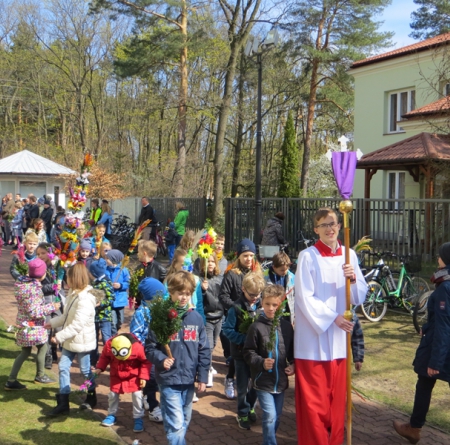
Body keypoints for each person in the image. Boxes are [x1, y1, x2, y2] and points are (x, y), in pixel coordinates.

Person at [294, 207, 367, 445]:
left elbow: (359, 296)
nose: (330, 229)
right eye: (324, 225)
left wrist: (353, 278)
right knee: (315, 405)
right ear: (316, 229)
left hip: (339, 342)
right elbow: (304, 296)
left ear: (339, 226)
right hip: (313, 343)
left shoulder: (349, 255)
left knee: (336, 404)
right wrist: (333, 317)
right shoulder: (308, 256)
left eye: (333, 223)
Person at [393, 242, 450, 444]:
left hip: (440, 348)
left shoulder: (445, 288)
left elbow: (444, 326)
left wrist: (435, 361)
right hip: (438, 342)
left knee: (425, 382)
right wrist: (425, 328)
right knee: (424, 383)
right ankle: (414, 428)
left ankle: (415, 428)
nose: (437, 259)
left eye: (440, 256)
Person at [146, 271, 210, 445]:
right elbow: (150, 347)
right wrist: (161, 359)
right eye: (180, 293)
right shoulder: (161, 318)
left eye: (188, 294)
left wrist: (203, 376)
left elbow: (204, 349)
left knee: (184, 419)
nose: (184, 297)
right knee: (176, 423)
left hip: (188, 379)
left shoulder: (196, 318)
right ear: (171, 292)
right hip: (168, 378)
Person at [243, 284, 295, 444]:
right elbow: (248, 352)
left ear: (281, 304)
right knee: (270, 416)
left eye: (275, 304)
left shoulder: (286, 327)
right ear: (262, 303)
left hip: (280, 382)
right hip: (262, 381)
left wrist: (293, 365)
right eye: (267, 304)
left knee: (276, 417)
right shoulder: (256, 327)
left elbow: (292, 351)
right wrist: (261, 362)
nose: (271, 308)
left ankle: (268, 440)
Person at [45, 263, 97, 416]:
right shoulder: (73, 294)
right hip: (70, 340)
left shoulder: (85, 299)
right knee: (63, 367)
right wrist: (51, 323)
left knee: (85, 370)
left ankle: (91, 396)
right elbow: (66, 317)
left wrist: (58, 337)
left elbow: (77, 325)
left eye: (67, 277)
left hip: (82, 341)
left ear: (75, 278)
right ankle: (63, 402)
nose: (65, 280)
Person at [4, 259, 60, 390]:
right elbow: (34, 311)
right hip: (33, 325)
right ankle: (39, 376)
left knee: (27, 351)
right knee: (41, 347)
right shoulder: (33, 289)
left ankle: (12, 380)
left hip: (24, 323)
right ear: (43, 274)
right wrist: (52, 306)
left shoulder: (22, 283)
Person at [219, 238, 264, 399]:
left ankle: (251, 384)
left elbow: (262, 293)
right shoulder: (232, 274)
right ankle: (230, 378)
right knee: (237, 353)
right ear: (239, 256)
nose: (248, 259)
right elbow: (223, 296)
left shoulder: (258, 273)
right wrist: (236, 308)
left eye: (251, 255)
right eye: (245, 255)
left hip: (254, 317)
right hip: (237, 319)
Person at [223, 272, 265, 430]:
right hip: (240, 354)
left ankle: (250, 406)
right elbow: (227, 330)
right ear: (243, 289)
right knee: (242, 386)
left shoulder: (262, 306)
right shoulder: (236, 307)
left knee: (256, 384)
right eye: (251, 294)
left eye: (258, 294)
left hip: (257, 355)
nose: (255, 298)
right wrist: (244, 339)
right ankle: (242, 413)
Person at [96, 333, 151, 433]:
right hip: (116, 375)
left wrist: (143, 376)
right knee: (113, 395)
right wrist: (100, 367)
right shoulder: (109, 345)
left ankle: (138, 417)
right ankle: (111, 415)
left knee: (137, 395)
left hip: (133, 376)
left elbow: (145, 361)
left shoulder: (137, 348)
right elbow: (104, 357)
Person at [130, 277, 166, 423]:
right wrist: (142, 350)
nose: (162, 299)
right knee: (150, 379)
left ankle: (146, 396)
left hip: (158, 350)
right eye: (160, 296)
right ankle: (153, 407)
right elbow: (135, 335)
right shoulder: (141, 312)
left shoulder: (159, 310)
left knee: (155, 378)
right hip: (146, 353)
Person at [197, 253, 224, 388]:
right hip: (207, 318)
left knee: (212, 345)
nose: (211, 264)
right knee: (207, 346)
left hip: (219, 316)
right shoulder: (200, 279)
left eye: (213, 261)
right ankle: (206, 372)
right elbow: (198, 300)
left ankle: (207, 364)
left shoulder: (220, 278)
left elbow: (224, 295)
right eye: (208, 262)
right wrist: (202, 290)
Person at [36, 243, 63, 368]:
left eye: (43, 253)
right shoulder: (38, 268)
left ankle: (54, 349)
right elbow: (38, 288)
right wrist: (52, 287)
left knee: (58, 328)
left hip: (57, 301)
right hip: (45, 301)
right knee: (46, 329)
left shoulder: (56, 266)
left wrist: (60, 282)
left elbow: (62, 281)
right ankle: (48, 356)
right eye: (38, 254)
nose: (40, 256)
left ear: (49, 253)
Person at [89, 259, 115, 367]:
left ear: (94, 273)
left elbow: (111, 298)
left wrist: (101, 303)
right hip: (94, 316)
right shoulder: (93, 283)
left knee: (106, 338)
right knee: (93, 338)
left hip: (105, 316)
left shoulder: (105, 282)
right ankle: (93, 360)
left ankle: (110, 360)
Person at [263, 252, 295, 325]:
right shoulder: (265, 277)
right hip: (271, 310)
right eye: (282, 270)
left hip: (287, 312)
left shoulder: (292, 277)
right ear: (274, 267)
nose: (285, 272)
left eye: (286, 269)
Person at [105, 249, 130, 336]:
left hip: (120, 299)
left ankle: (117, 328)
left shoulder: (123, 270)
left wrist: (121, 285)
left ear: (113, 259)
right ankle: (114, 335)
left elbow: (128, 282)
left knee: (120, 320)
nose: (105, 260)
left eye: (107, 258)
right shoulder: (106, 270)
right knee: (113, 321)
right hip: (110, 300)